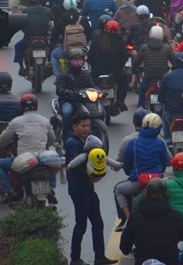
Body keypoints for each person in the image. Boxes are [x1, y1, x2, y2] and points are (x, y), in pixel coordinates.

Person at [64, 114, 118, 265]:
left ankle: (99, 258)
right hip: (79, 190)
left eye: (88, 126)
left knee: (97, 223)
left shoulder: (85, 141)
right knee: (81, 224)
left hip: (88, 189)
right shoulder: (72, 143)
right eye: (83, 126)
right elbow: (78, 165)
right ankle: (75, 259)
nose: (86, 129)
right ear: (74, 127)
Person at [0, 93, 62, 202]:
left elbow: (1, 141)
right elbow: (51, 140)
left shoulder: (16, 121)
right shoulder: (45, 121)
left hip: (24, 160)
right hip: (42, 159)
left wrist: (3, 144)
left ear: (21, 107)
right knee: (51, 164)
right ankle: (51, 188)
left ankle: (11, 191)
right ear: (37, 106)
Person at [120, 177, 183, 265]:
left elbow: (124, 248)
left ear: (145, 194)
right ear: (166, 194)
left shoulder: (135, 216)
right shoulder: (175, 216)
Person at [117, 112, 172, 221]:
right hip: (158, 181)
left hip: (137, 182)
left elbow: (127, 166)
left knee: (118, 190)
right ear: (158, 127)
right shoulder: (161, 143)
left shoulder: (133, 142)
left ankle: (128, 218)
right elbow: (165, 164)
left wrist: (131, 174)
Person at [13, 0, 53, 74]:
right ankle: (50, 63)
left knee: (18, 46)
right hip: (44, 38)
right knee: (53, 47)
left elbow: (22, 24)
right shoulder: (48, 11)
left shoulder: (27, 10)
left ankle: (21, 67)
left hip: (29, 39)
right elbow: (52, 23)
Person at [55, 49, 95, 133]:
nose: (78, 61)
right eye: (75, 59)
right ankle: (65, 135)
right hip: (69, 101)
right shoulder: (64, 75)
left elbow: (92, 86)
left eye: (80, 59)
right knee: (67, 113)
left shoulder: (86, 74)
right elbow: (59, 90)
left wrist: (100, 92)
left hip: (84, 100)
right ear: (69, 61)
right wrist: (69, 93)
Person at [136, 25, 174, 109]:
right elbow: (174, 62)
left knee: (142, 90)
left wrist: (134, 71)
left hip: (149, 77)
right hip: (162, 78)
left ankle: (140, 110)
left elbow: (136, 62)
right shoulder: (167, 48)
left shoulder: (144, 47)